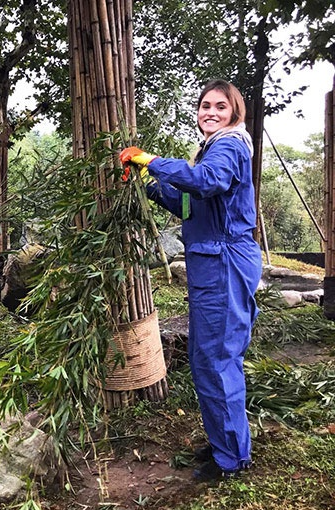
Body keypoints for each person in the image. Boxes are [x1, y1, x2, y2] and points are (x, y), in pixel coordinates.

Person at [120, 79, 262, 481]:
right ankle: (225, 442)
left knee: (217, 360)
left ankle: (232, 458)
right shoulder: (209, 150)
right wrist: (147, 184)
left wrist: (149, 158)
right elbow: (186, 202)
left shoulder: (231, 145)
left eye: (221, 106)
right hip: (210, 264)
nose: (211, 112)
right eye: (204, 106)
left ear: (234, 112)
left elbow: (204, 182)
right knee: (206, 357)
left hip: (225, 262)